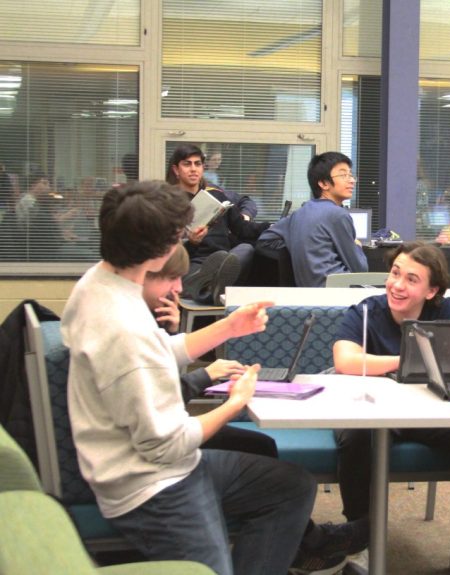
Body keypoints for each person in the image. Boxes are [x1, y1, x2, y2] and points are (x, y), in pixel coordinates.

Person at [61, 180, 364, 575]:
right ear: (158, 251)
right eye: (177, 237)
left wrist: (227, 328)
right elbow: (169, 444)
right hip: (154, 487)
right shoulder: (123, 327)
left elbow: (153, 355)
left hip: (136, 465)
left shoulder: (98, 285)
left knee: (292, 486)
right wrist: (237, 401)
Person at [331, 241, 450, 536]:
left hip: (423, 413)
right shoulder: (366, 311)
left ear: (431, 292)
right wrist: (408, 358)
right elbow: (344, 360)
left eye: (411, 279)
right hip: (372, 410)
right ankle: (358, 536)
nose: (397, 285)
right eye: (395, 273)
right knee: (358, 437)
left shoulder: (446, 312)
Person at [141, 242, 277, 458]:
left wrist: (170, 330)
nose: (179, 288)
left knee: (261, 446)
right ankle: (206, 291)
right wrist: (215, 384)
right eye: (172, 279)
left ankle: (207, 290)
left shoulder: (137, 316)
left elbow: (161, 377)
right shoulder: (128, 329)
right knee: (271, 459)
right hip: (163, 444)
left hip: (167, 425)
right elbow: (162, 399)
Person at [166, 144, 267, 304]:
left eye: (197, 164)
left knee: (245, 249)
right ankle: (209, 289)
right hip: (193, 261)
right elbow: (167, 252)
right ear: (176, 170)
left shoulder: (217, 194)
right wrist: (191, 243)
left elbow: (242, 229)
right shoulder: (169, 202)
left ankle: (208, 290)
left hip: (224, 259)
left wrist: (273, 227)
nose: (193, 169)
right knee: (198, 272)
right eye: (187, 164)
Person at [257, 151, 368, 287]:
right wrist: (357, 245)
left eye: (351, 175)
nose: (352, 180)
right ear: (323, 183)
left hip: (307, 295)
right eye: (343, 175)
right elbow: (360, 270)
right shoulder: (338, 215)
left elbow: (265, 241)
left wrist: (300, 247)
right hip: (338, 295)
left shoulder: (298, 213)